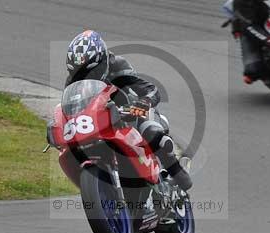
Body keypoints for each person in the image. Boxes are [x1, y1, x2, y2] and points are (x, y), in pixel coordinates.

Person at [62, 30, 192, 191]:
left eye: (90, 70)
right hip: (102, 122)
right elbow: (69, 108)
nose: (84, 76)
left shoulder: (117, 66)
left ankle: (178, 173)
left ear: (103, 61)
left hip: (133, 114)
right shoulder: (72, 81)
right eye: (78, 72)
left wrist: (143, 102)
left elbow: (150, 90)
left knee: (152, 133)